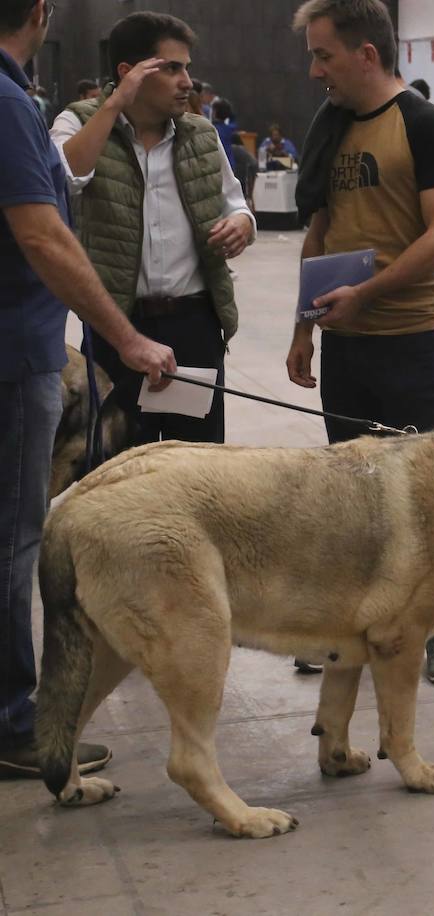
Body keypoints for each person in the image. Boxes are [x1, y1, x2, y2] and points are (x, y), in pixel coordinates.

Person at [1, 0, 176, 779]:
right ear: (38, 11)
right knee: (15, 542)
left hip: (29, 349)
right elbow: (43, 231)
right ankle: (13, 726)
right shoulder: (11, 103)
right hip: (14, 358)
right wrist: (128, 339)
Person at [288, 0, 434, 684]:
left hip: (413, 341)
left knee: (425, 497)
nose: (314, 71)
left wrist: (365, 295)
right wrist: (303, 326)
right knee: (353, 492)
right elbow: (320, 234)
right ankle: (347, 629)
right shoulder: (330, 129)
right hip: (346, 343)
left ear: (366, 55)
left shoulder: (424, 126)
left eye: (324, 55)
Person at [51, 11, 254, 447]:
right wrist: (114, 105)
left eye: (188, 68)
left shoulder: (201, 134)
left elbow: (236, 202)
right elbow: (64, 178)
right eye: (173, 68)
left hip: (192, 329)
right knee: (118, 461)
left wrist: (242, 223)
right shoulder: (76, 121)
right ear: (130, 73)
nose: (188, 81)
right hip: (117, 327)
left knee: (194, 462)